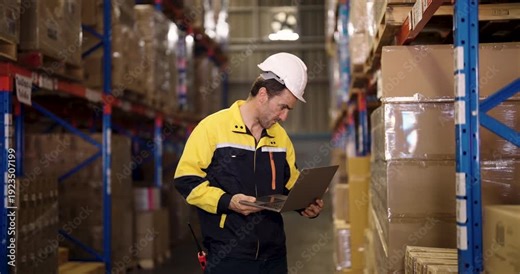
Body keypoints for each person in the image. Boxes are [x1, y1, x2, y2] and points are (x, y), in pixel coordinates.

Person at [174, 52, 323, 274]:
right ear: (263, 94)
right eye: (282, 107)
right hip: (229, 256)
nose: (284, 117)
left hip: (274, 256)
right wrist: (227, 201)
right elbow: (186, 181)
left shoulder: (280, 138)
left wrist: (306, 205)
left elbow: (289, 184)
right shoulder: (212, 128)